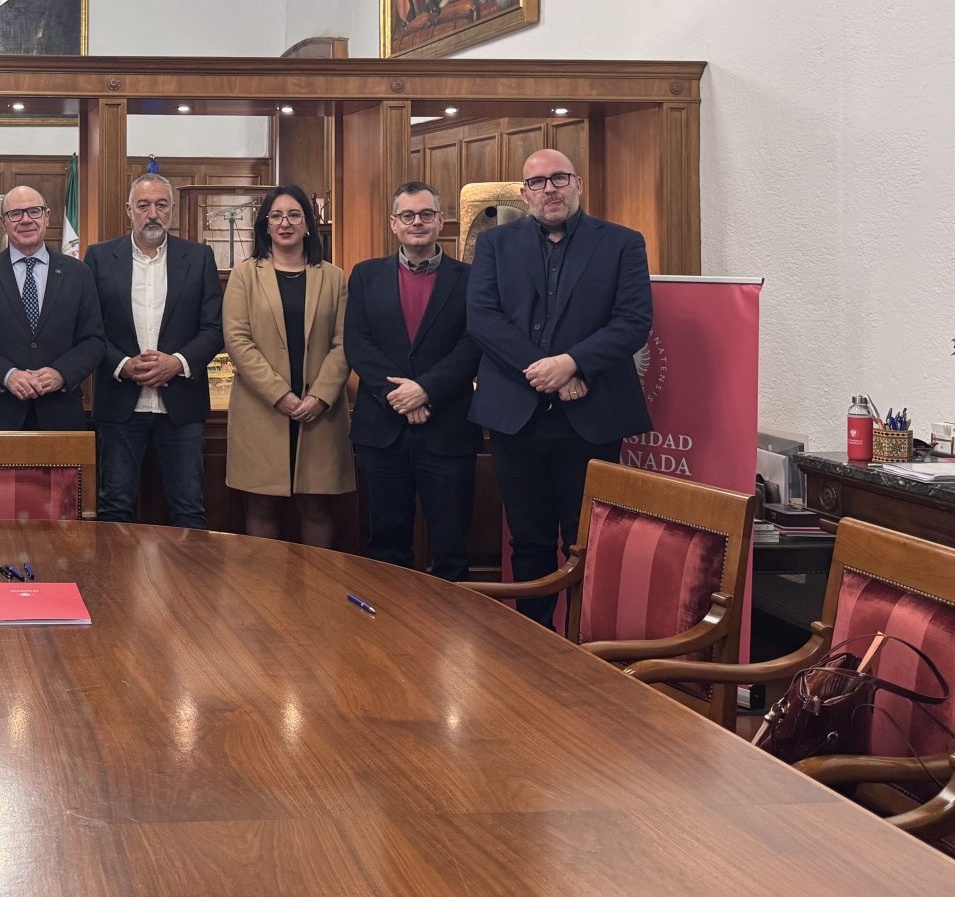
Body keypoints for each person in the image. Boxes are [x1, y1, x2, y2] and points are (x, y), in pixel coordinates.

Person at [469, 149, 652, 627]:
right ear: (525, 192)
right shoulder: (494, 245)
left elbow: (632, 321)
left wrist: (574, 365)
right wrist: (545, 370)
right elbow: (482, 319)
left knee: (589, 539)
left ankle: (583, 643)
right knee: (527, 539)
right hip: (516, 416)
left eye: (559, 179)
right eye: (537, 182)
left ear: (578, 183)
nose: (549, 189)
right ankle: (535, 640)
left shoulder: (622, 244)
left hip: (591, 419)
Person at [343, 182, 482, 581]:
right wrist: (397, 395)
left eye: (425, 214)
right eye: (408, 215)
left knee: (452, 549)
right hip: (382, 432)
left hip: (448, 428)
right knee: (386, 547)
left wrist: (426, 390)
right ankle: (388, 635)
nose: (416, 222)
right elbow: (358, 343)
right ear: (393, 224)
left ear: (440, 221)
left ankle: (450, 639)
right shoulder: (366, 276)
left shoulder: (470, 278)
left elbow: (472, 345)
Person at [84, 173, 223, 527]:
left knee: (189, 510)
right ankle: (113, 584)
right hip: (120, 404)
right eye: (144, 205)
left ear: (172, 210)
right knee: (114, 508)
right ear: (129, 210)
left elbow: (213, 328)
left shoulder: (199, 257)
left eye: (161, 205)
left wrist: (176, 363)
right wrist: (123, 365)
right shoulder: (99, 258)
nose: (153, 214)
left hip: (181, 404)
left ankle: (188, 585)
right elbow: (89, 328)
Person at [222, 184, 352, 547]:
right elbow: (237, 341)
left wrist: (320, 397)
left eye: (294, 215)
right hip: (263, 409)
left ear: (308, 224)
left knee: (316, 508)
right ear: (265, 225)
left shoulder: (334, 277)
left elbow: (344, 344)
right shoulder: (244, 275)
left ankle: (316, 596)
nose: (285, 223)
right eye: (276, 216)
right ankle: (262, 598)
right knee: (261, 505)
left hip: (319, 412)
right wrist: (281, 395)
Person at [0, 185, 105, 430]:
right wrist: (7, 375)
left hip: (61, 414)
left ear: (47, 216)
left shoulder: (78, 273)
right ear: (3, 221)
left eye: (33, 211)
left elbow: (94, 340)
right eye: (16, 214)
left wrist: (61, 374)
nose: (26, 220)